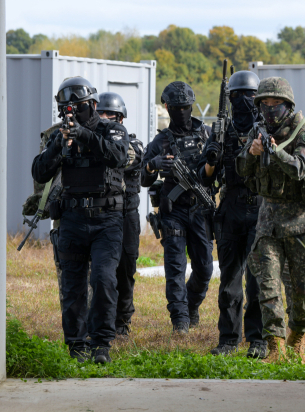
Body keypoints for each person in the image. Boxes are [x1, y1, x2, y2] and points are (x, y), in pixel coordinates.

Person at [31, 77, 129, 364]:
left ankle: (101, 344)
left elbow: (117, 157)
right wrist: (58, 145)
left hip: (106, 219)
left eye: (80, 107)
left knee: (103, 279)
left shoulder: (113, 129)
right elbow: (39, 173)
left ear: (94, 105)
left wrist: (85, 136)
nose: (73, 113)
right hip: (72, 218)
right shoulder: (59, 135)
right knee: (72, 284)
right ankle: (76, 344)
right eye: (67, 109)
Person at [236, 77, 305, 363]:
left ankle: (298, 337)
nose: (270, 110)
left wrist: (276, 152)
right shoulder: (257, 132)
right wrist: (252, 152)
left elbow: (299, 168)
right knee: (267, 286)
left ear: (288, 106)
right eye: (265, 104)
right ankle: (275, 346)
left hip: (303, 223)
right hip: (269, 222)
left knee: (303, 289)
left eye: (276, 104)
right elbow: (241, 168)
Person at [198, 70, 266, 358]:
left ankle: (258, 339)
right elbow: (204, 178)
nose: (242, 102)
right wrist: (212, 158)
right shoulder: (220, 130)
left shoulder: (266, 129)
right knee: (229, 279)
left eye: (248, 96)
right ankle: (228, 338)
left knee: (258, 279)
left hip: (260, 208)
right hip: (230, 209)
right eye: (236, 96)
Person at [140, 81, 213, 334]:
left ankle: (191, 305)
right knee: (175, 269)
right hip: (173, 213)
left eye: (185, 107)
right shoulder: (161, 141)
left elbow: (219, 169)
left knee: (205, 268)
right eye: (176, 107)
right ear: (166, 107)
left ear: (191, 106)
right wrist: (154, 165)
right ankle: (180, 320)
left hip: (201, 209)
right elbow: (143, 178)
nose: (181, 111)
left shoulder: (207, 134)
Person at [96, 92, 144, 336]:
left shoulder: (132, 144)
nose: (104, 118)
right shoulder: (92, 142)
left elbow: (124, 158)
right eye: (100, 114)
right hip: (102, 216)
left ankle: (122, 322)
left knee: (125, 270)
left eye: (110, 115)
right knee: (101, 272)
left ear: (121, 118)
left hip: (126, 216)